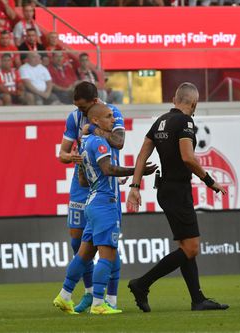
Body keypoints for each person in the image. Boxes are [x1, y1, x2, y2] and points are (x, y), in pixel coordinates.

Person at [126, 82, 229, 313]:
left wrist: (135, 185)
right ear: (194, 103)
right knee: (191, 248)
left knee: (185, 246)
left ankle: (198, 299)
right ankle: (142, 284)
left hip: (165, 190)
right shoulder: (186, 122)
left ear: (174, 99)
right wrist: (210, 182)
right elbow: (188, 158)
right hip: (178, 190)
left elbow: (143, 153)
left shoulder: (160, 121)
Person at [53, 103, 157, 315]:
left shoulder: (84, 143)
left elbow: (82, 180)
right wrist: (137, 170)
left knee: (83, 254)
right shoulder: (100, 142)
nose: (113, 119)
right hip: (105, 203)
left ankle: (64, 296)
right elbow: (108, 168)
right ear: (96, 121)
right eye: (109, 117)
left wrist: (100, 179)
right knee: (108, 255)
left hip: (91, 201)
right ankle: (99, 303)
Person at [57, 81, 126, 313]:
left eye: (83, 108)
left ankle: (110, 299)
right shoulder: (75, 118)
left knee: (107, 244)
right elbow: (62, 154)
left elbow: (119, 142)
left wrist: (92, 129)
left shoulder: (112, 114)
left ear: (95, 102)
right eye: (77, 107)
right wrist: (73, 158)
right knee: (79, 243)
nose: (80, 112)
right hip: (85, 180)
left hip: (106, 181)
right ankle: (91, 296)